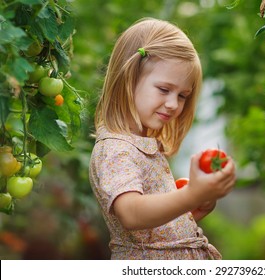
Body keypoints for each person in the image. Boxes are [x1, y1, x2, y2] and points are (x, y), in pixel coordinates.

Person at [89, 18, 236, 260]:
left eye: (182, 95)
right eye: (164, 89)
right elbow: (131, 215)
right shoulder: (118, 149)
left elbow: (154, 233)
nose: (173, 104)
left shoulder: (138, 146)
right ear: (129, 79)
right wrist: (190, 195)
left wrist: (193, 208)